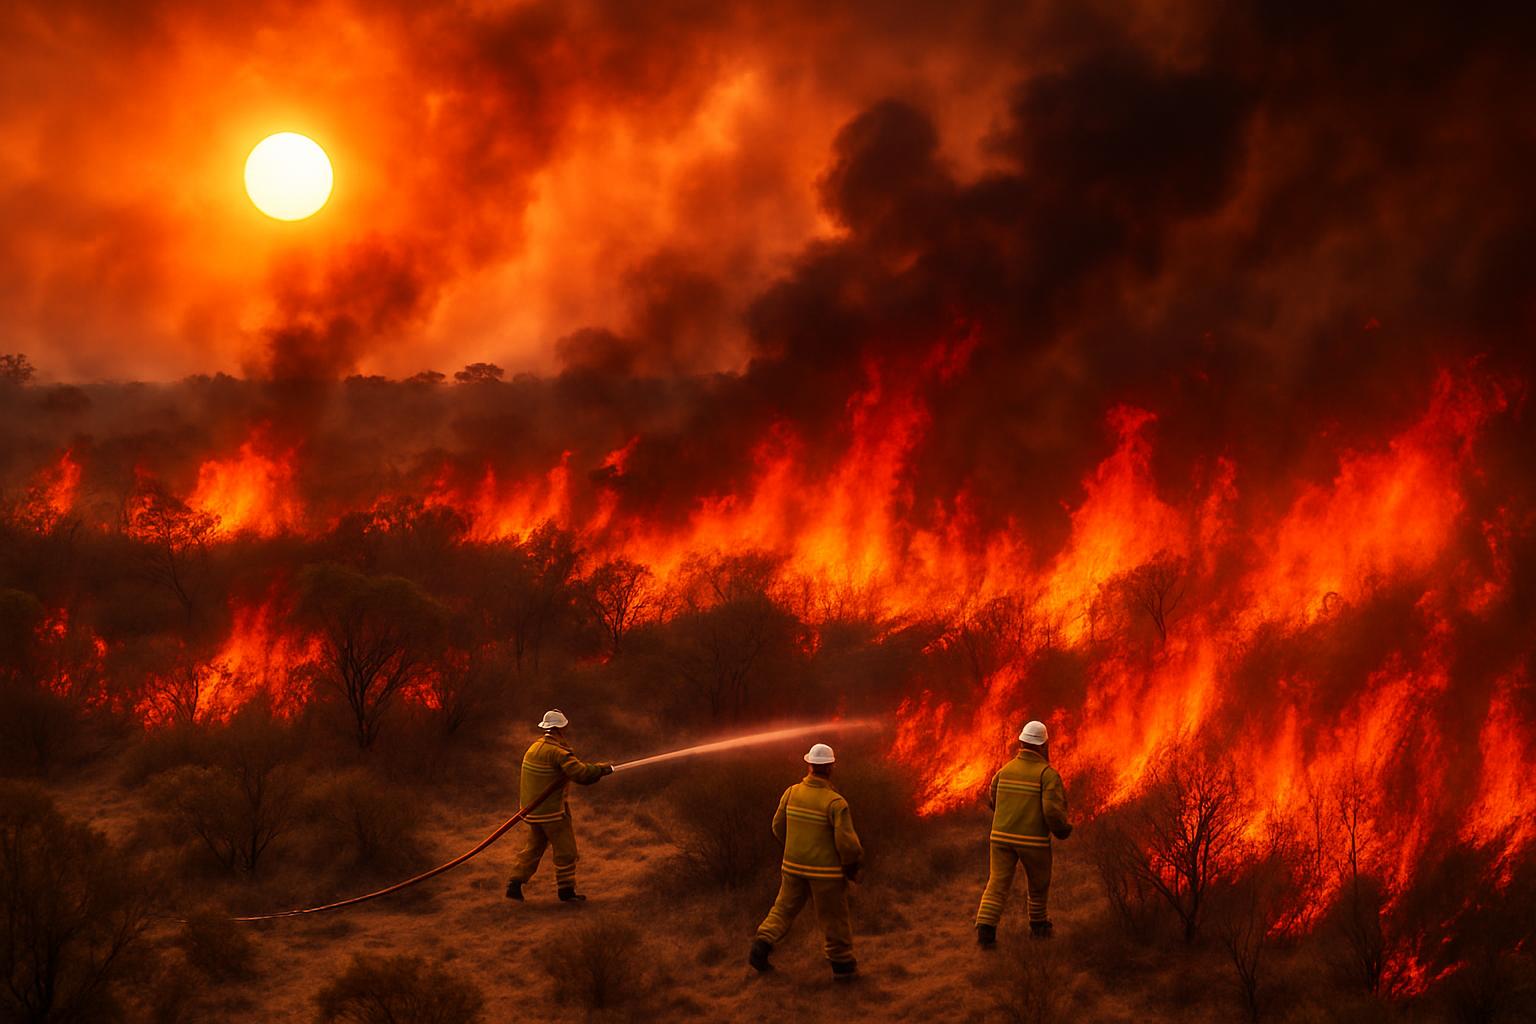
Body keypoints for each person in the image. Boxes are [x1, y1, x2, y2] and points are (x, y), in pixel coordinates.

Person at [749, 743, 864, 980]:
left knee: (782, 909)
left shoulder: (791, 792)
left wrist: (794, 848)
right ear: (831, 767)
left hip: (792, 867)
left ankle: (761, 946)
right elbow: (848, 845)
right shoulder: (835, 803)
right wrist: (851, 868)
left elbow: (776, 827)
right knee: (834, 919)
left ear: (809, 765)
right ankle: (843, 968)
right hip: (826, 875)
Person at [975, 720, 1072, 945]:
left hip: (1000, 837)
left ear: (1021, 743)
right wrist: (1062, 830)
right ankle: (1038, 927)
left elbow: (994, 800)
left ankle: (986, 931)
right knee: (1038, 884)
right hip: (1033, 841)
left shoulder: (1004, 771)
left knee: (997, 882)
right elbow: (1052, 811)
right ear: (1043, 746)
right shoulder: (1047, 775)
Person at [505, 710, 612, 902]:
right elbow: (581, 774)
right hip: (551, 813)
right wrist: (601, 769)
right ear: (560, 728)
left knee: (533, 848)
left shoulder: (534, 747)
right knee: (566, 850)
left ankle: (514, 884)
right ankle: (566, 891)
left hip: (532, 812)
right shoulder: (558, 753)